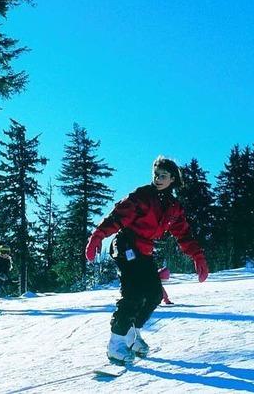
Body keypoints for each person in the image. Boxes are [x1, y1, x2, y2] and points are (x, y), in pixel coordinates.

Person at [85, 156, 209, 364]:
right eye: (156, 175)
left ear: (172, 179)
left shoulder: (173, 207)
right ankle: (116, 344)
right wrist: (98, 235)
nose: (158, 179)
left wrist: (198, 256)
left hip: (144, 250)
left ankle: (133, 336)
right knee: (133, 294)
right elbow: (117, 217)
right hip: (126, 245)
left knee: (153, 294)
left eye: (163, 176)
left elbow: (183, 234)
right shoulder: (142, 196)